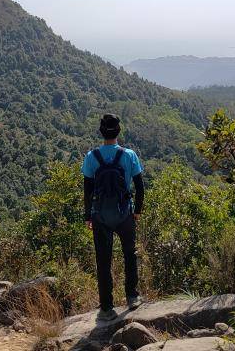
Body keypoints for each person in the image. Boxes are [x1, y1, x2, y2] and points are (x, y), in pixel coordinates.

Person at [82, 113, 145, 319]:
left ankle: (107, 308)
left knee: (103, 260)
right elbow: (140, 186)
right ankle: (132, 297)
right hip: (124, 213)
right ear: (119, 131)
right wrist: (137, 212)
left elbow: (88, 190)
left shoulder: (92, 157)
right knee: (129, 254)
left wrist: (88, 217)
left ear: (101, 132)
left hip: (100, 215)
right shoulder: (129, 155)